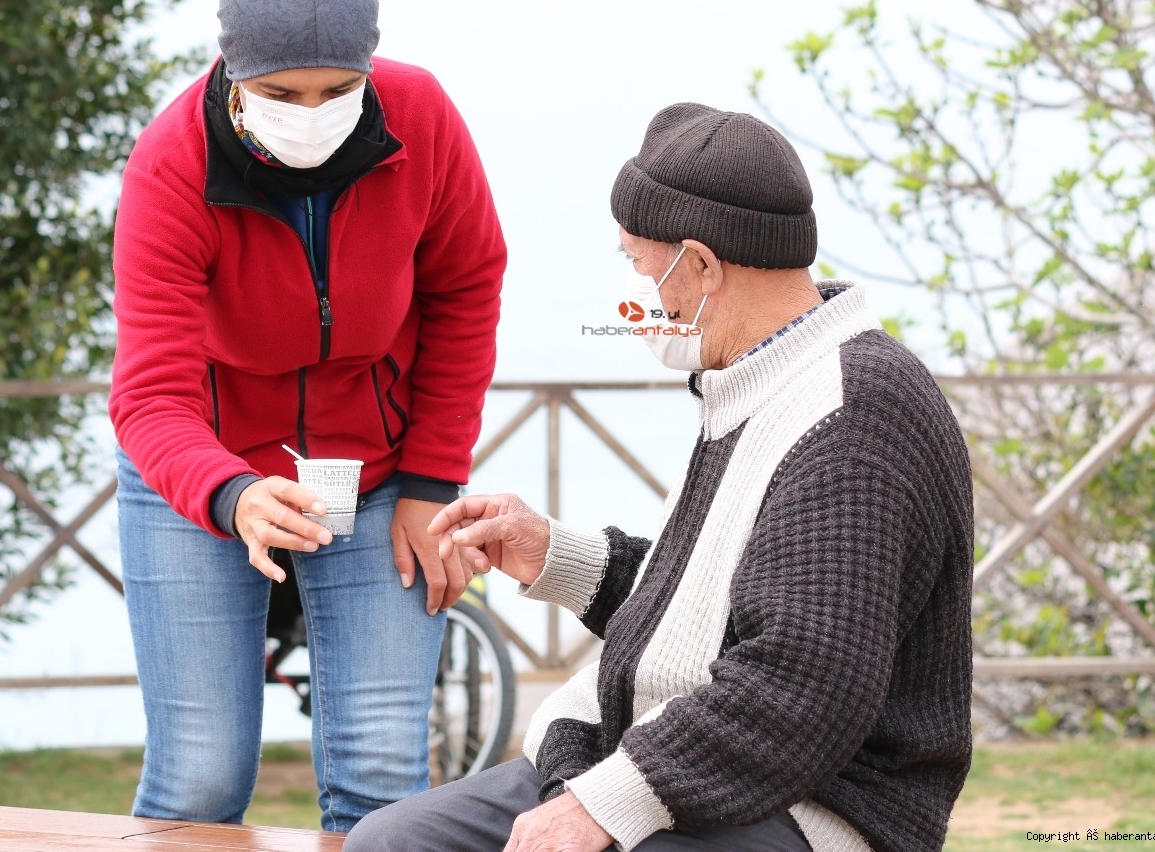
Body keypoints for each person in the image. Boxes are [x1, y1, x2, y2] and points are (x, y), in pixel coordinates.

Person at [346, 104, 973, 852]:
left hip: (813, 803)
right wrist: (552, 554)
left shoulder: (853, 412)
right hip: (687, 760)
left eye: (642, 266)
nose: (642, 301)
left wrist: (598, 805)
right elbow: (714, 613)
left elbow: (802, 689)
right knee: (392, 842)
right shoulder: (757, 379)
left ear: (703, 265)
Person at [109, 0, 506, 831]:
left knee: (381, 783)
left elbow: (466, 289)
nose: (311, 113)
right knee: (201, 781)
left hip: (379, 479)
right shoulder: (171, 165)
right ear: (234, 74)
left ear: (371, 68)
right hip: (203, 473)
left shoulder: (425, 121)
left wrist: (431, 479)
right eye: (281, 93)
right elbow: (151, 396)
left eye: (337, 89)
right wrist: (232, 494)